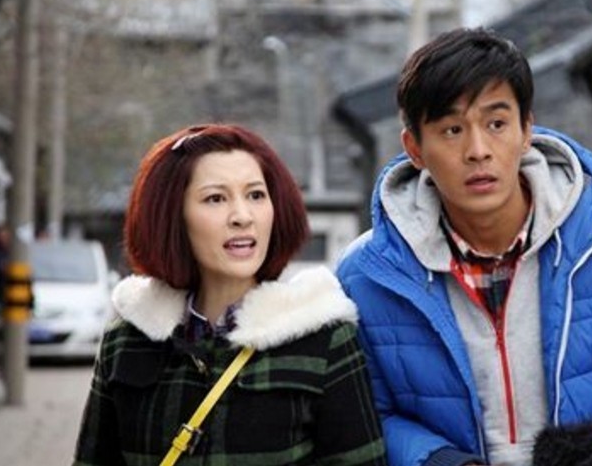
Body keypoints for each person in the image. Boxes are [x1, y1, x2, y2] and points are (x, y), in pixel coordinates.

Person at [335, 28, 592, 466]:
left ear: (526, 130)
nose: (478, 150)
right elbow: (359, 414)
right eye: (452, 129)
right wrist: (437, 461)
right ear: (415, 148)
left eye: (496, 124)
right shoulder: (367, 274)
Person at [74, 124, 387, 465]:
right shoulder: (128, 339)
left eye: (256, 195)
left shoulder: (322, 339)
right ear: (172, 216)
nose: (242, 216)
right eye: (216, 198)